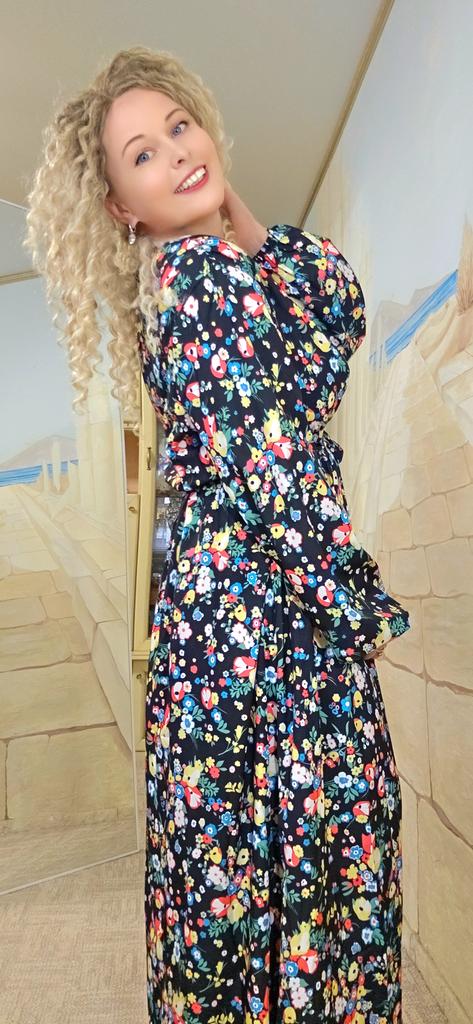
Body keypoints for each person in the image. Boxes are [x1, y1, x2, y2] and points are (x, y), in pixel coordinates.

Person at [24, 45, 411, 1024]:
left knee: (237, 882)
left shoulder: (216, 271)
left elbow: (337, 309)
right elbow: (275, 470)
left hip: (233, 634)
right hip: (264, 636)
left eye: (180, 127)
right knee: (303, 866)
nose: (176, 154)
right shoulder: (201, 280)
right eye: (143, 156)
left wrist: (231, 208)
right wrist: (356, 605)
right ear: (121, 207)